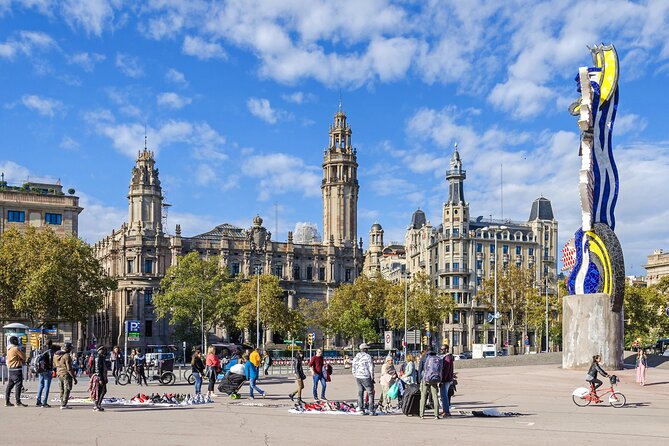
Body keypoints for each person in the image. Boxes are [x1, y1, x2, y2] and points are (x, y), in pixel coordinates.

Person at [352, 343, 376, 415]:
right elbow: (370, 367)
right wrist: (372, 377)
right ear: (365, 349)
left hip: (358, 376)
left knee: (360, 392)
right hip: (366, 376)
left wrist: (355, 374)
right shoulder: (368, 357)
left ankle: (361, 408)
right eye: (367, 348)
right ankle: (371, 410)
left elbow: (353, 366)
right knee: (370, 393)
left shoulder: (356, 356)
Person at [4, 336, 27, 407]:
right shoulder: (15, 348)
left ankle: (7, 401)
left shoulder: (8, 349)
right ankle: (18, 402)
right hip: (17, 369)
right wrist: (21, 357)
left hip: (11, 369)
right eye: (17, 340)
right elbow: (23, 357)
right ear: (15, 341)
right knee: (18, 385)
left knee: (10, 385)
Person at [54, 343, 78, 409]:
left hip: (59, 373)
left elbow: (54, 364)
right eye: (70, 348)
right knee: (67, 389)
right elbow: (69, 368)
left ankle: (62, 402)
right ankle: (64, 404)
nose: (71, 350)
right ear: (67, 348)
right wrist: (74, 377)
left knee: (61, 389)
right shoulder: (66, 356)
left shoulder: (56, 355)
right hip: (66, 374)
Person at [419, 348, 441, 419]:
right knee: (435, 397)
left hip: (425, 379)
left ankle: (422, 414)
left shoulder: (424, 358)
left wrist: (419, 379)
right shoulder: (437, 358)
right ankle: (436, 415)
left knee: (423, 396)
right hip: (434, 379)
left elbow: (420, 369)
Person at [438, 344, 455, 417]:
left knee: (444, 396)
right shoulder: (448, 357)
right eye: (441, 349)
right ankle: (445, 410)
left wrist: (442, 380)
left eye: (442, 349)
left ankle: (447, 412)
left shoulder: (447, 357)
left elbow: (446, 370)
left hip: (446, 379)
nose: (441, 351)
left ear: (447, 349)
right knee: (443, 395)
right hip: (448, 378)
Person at [91, 345, 108, 411]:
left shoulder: (101, 356)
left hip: (101, 376)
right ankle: (97, 405)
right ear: (100, 350)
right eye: (103, 349)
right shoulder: (98, 357)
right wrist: (100, 378)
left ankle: (97, 404)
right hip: (99, 377)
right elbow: (97, 368)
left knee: (101, 391)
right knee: (102, 391)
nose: (104, 351)